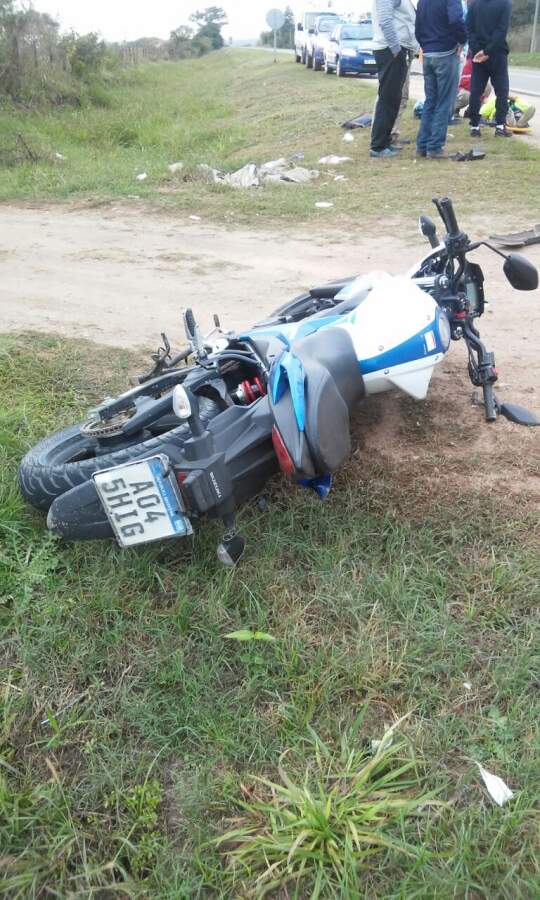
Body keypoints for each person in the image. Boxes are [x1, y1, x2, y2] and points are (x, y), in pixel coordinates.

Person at [415, 0, 467, 159]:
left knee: (431, 101)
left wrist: (425, 45)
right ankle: (435, 147)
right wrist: (462, 40)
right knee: (445, 101)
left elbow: (417, 26)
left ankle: (422, 145)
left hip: (428, 53)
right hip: (446, 53)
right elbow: (456, 19)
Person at [370, 0, 418, 158]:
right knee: (388, 98)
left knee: (394, 98)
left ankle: (385, 141)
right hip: (390, 50)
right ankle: (378, 146)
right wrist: (396, 48)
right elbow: (385, 19)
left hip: (396, 50)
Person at [466, 0, 513, 138]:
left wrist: (478, 50)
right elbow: (501, 29)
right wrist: (488, 51)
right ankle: (499, 126)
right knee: (502, 90)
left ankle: (474, 126)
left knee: (476, 90)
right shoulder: (505, 3)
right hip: (497, 52)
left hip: (478, 54)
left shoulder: (474, 5)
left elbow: (469, 29)